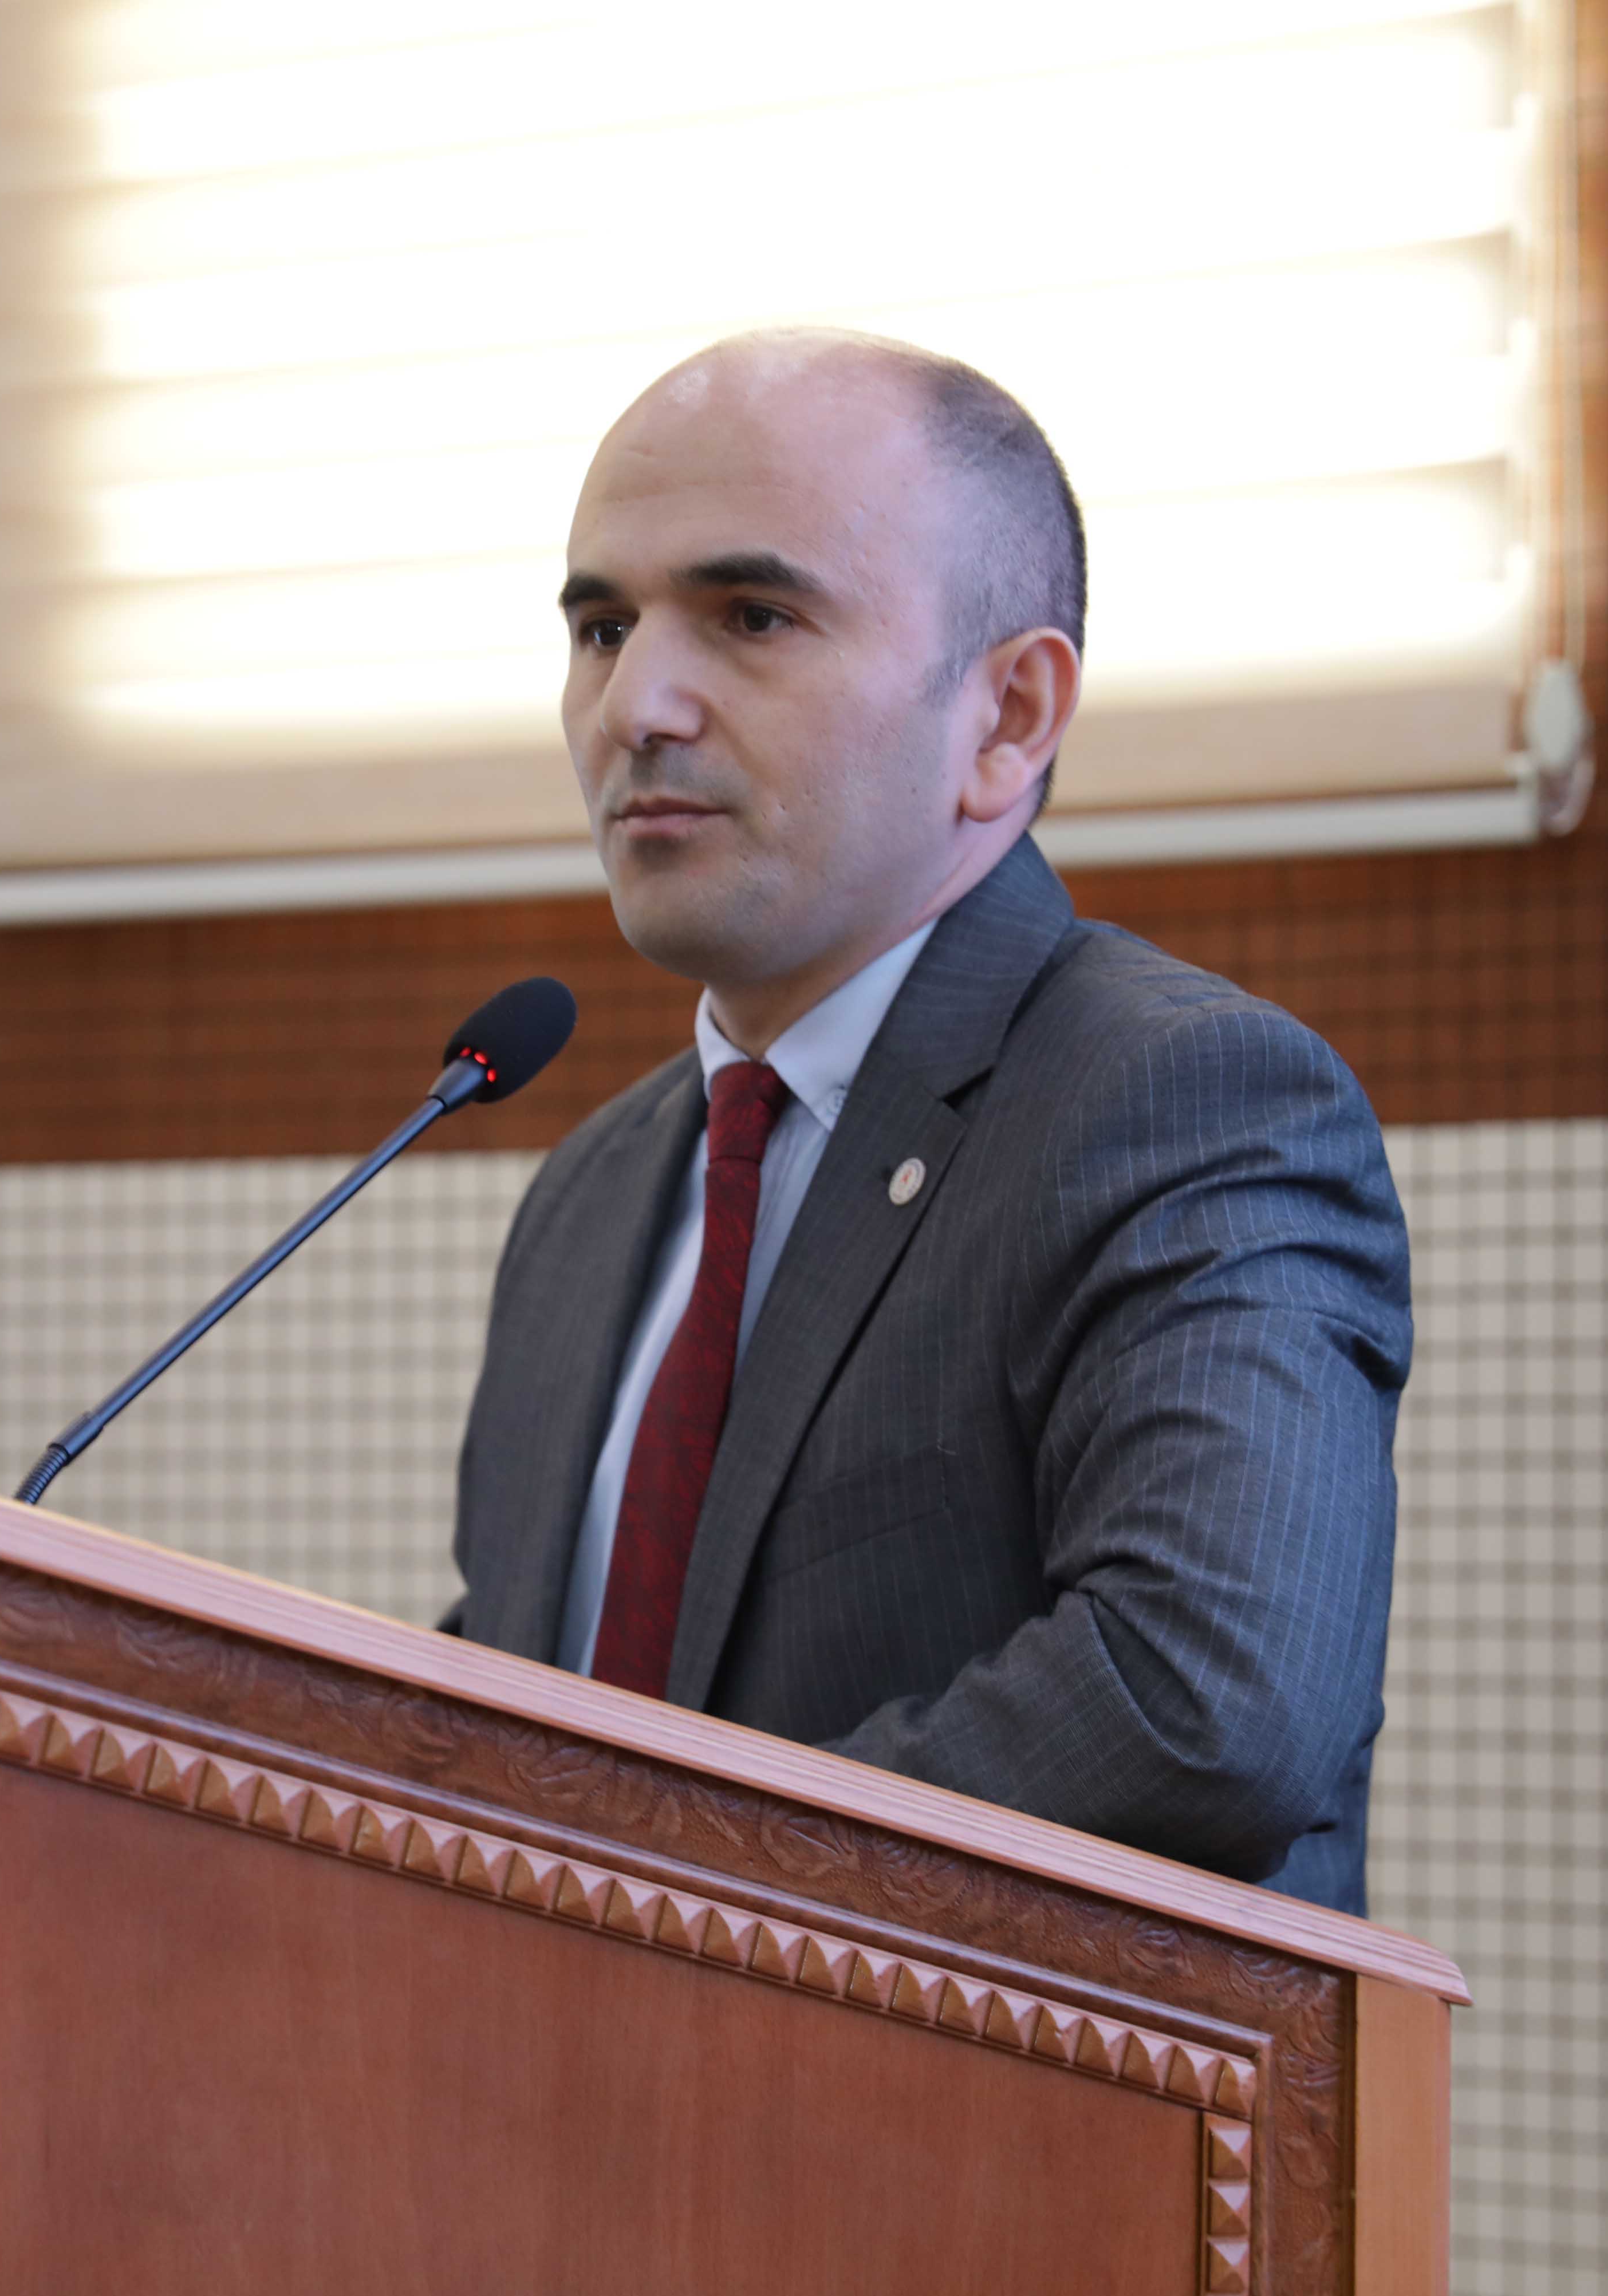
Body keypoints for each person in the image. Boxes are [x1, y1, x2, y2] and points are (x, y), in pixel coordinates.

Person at [444, 329, 1412, 1911]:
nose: (637, 706)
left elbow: (1204, 1702)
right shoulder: (588, 1192)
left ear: (1009, 715)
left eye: (752, 617)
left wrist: (654, 1889)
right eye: (602, 629)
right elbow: (538, 1699)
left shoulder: (1183, 1104)